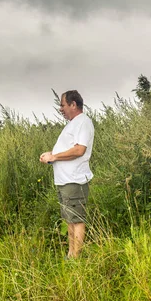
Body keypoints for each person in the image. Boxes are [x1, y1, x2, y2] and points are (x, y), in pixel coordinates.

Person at [39, 90, 94, 258]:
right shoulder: (72, 124)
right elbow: (69, 148)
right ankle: (71, 254)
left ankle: (75, 258)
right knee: (69, 219)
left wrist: (55, 156)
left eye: (62, 105)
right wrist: (51, 154)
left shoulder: (83, 122)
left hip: (74, 181)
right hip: (65, 181)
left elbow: (79, 150)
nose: (60, 108)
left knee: (76, 219)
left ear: (73, 104)